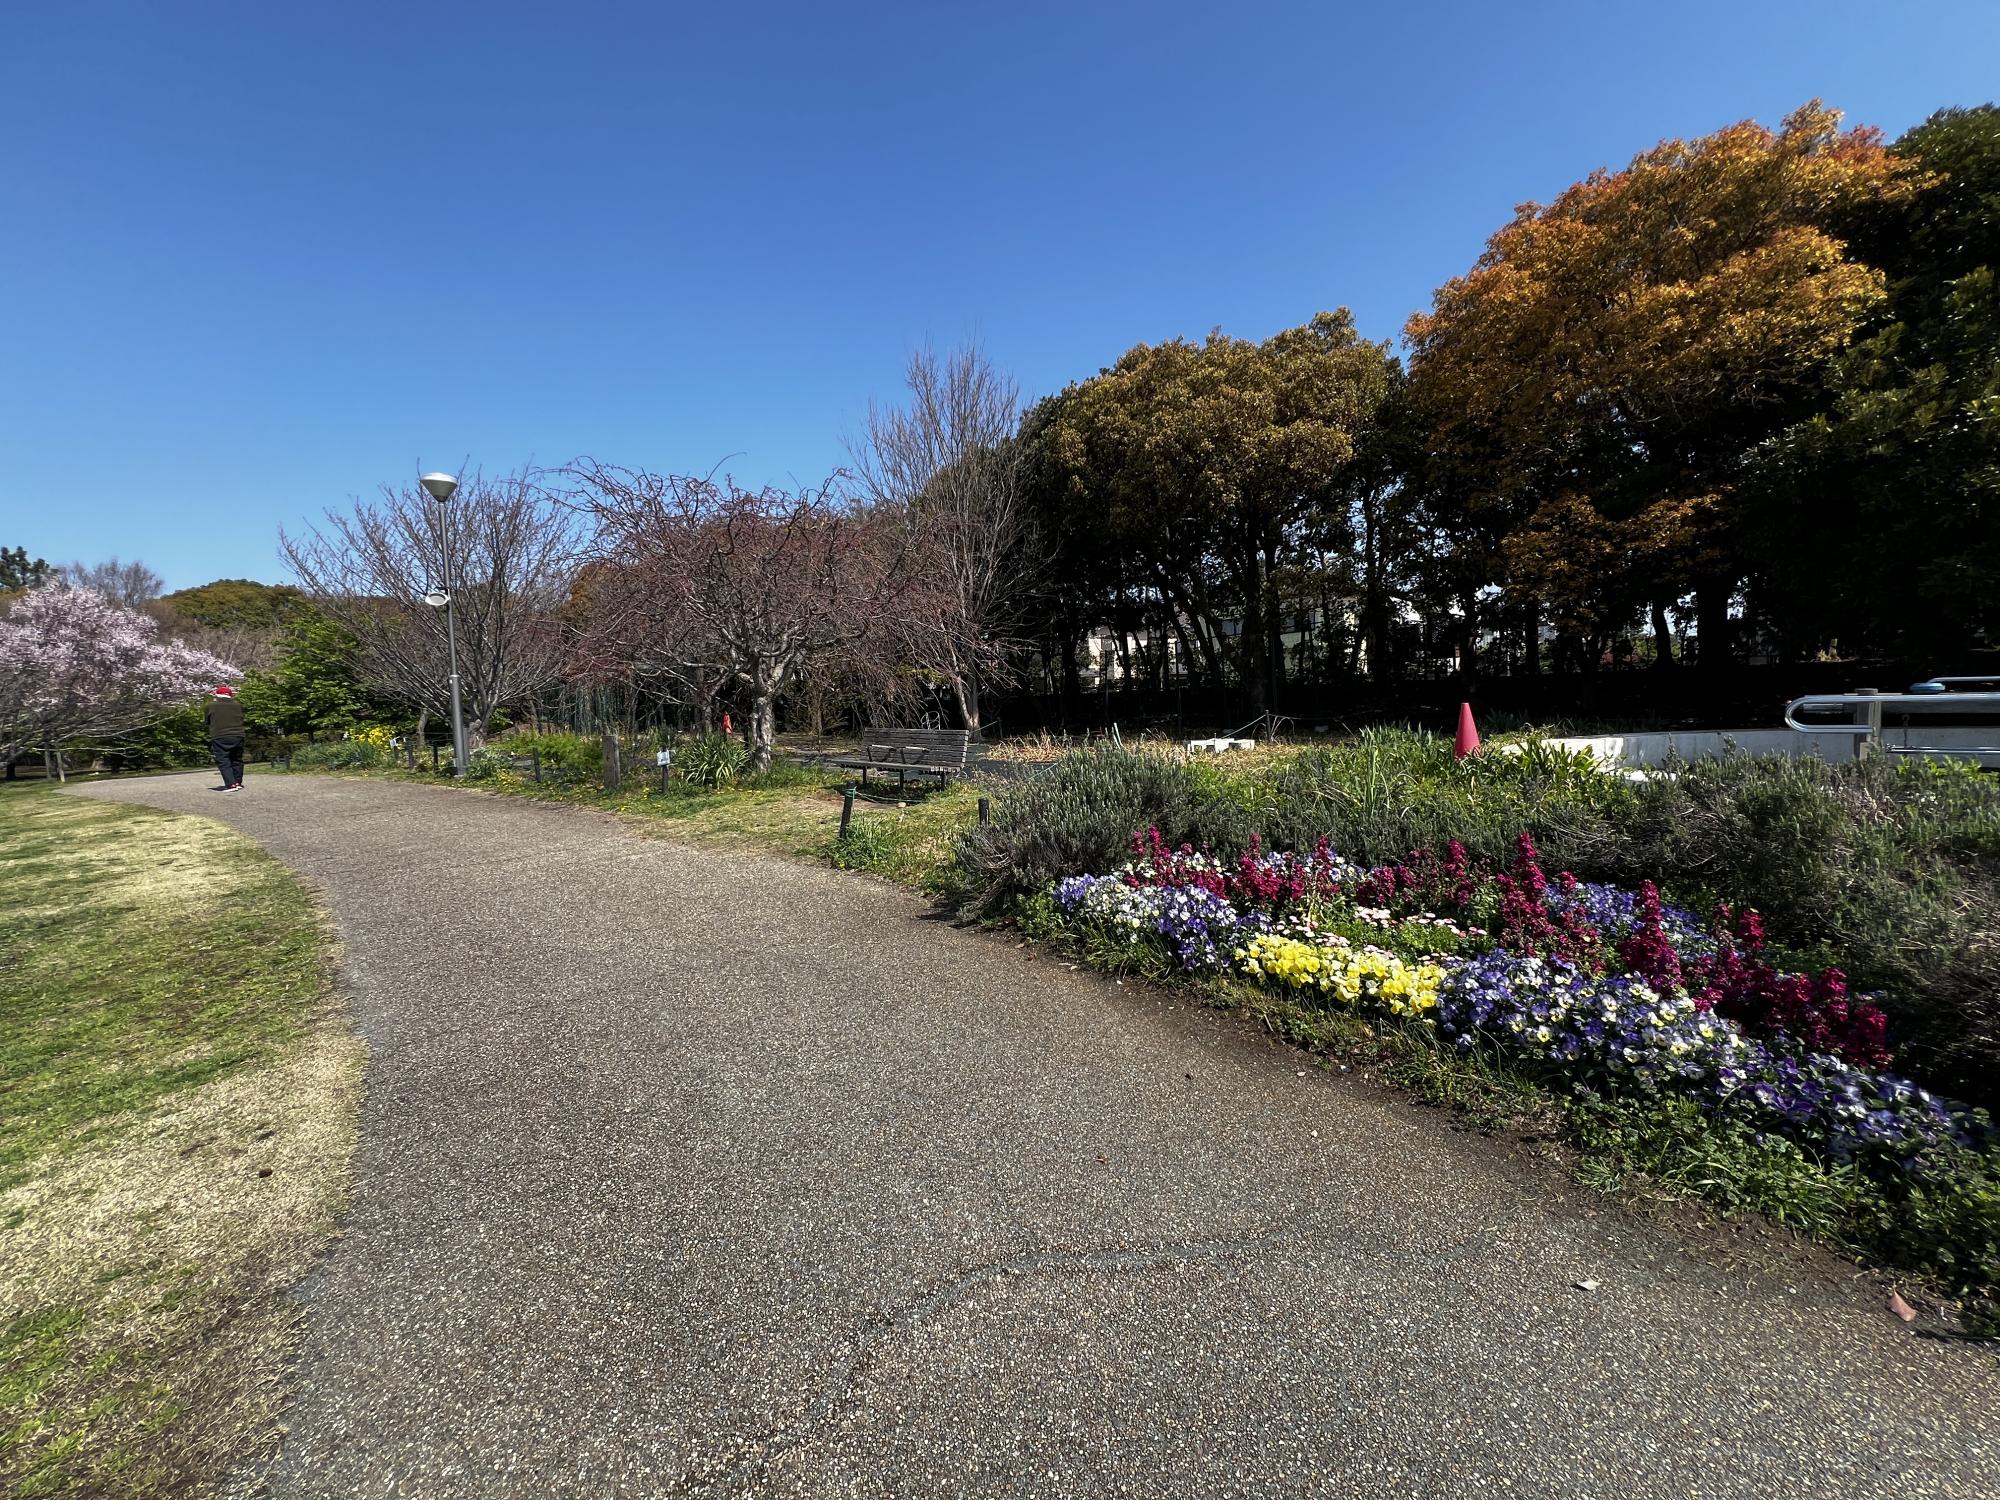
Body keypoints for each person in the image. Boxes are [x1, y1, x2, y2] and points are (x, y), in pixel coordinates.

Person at [206, 684, 246, 790]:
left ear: (217, 695)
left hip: (220, 735)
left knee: (223, 760)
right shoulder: (238, 705)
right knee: (237, 759)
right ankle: (237, 782)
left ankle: (231, 784)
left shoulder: (211, 706)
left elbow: (207, 721)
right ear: (230, 695)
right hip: (238, 734)